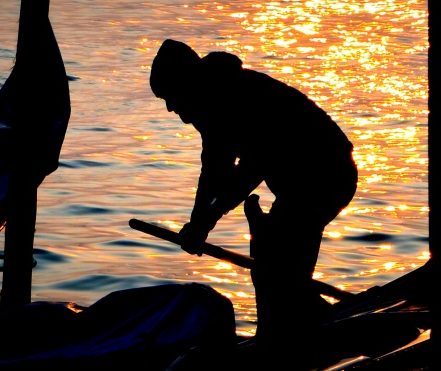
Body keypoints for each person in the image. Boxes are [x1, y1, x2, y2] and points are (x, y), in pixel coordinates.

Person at [149, 39, 357, 341]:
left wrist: (207, 220)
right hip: (296, 188)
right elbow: (213, 170)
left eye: (171, 96)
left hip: (326, 176)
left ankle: (310, 333)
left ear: (188, 83)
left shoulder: (236, 95)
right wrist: (197, 222)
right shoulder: (209, 102)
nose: (170, 108)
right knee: (273, 272)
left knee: (278, 273)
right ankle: (295, 330)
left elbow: (249, 172)